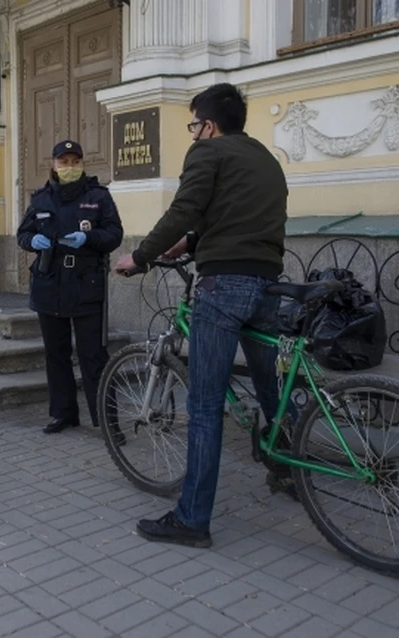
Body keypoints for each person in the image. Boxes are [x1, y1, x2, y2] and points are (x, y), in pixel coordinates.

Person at [114, 83, 294, 547]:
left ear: (209, 125)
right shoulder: (265, 158)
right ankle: (290, 472)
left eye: (194, 125)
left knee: (205, 405)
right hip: (266, 284)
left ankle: (192, 519)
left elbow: (185, 209)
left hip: (224, 286)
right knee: (271, 391)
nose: (193, 133)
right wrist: (191, 243)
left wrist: (142, 256)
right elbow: (238, 214)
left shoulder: (207, 153)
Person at [17, 140, 124, 434]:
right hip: (49, 283)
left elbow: (114, 233)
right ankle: (62, 414)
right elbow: (23, 234)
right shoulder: (40, 199)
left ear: (82, 164)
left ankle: (106, 420)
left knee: (93, 356)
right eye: (64, 162)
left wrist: (89, 238)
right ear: (53, 165)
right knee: (56, 354)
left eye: (75, 162)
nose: (70, 167)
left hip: (85, 284)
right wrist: (31, 241)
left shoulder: (98, 196)